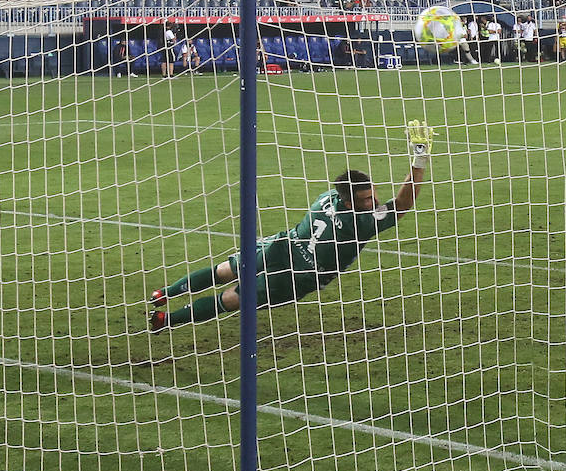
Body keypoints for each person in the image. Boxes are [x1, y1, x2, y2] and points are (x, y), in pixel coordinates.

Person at [147, 122, 435, 331]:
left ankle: (165, 294)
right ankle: (167, 319)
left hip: (285, 244)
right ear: (348, 202)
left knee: (226, 270)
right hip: (302, 273)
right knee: (235, 296)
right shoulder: (359, 223)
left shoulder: (327, 197)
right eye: (366, 198)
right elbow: (401, 204)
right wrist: (419, 160)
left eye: (373, 194)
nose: (373, 201)